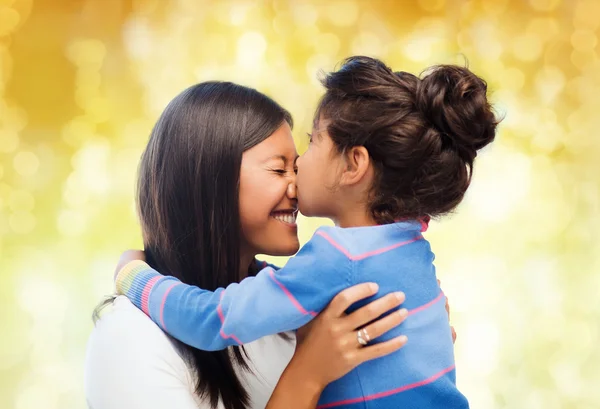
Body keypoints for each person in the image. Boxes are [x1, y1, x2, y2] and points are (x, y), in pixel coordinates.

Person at [114, 57, 497, 408]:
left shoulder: (337, 256)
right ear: (209, 180)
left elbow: (213, 320)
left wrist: (135, 277)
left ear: (354, 165)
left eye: (312, 142)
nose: (297, 172)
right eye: (279, 168)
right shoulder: (411, 245)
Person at [84, 80, 413, 409]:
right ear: (210, 180)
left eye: (296, 168)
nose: (297, 186)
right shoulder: (129, 336)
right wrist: (308, 374)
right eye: (278, 169)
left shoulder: (294, 316)